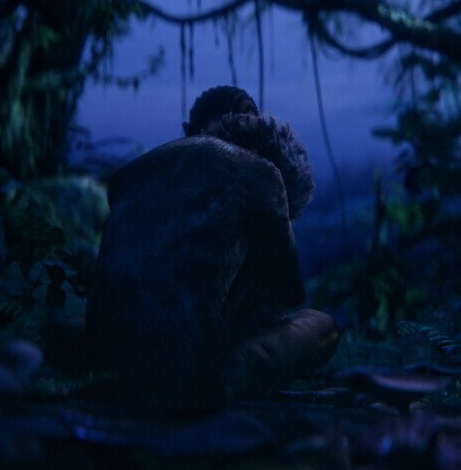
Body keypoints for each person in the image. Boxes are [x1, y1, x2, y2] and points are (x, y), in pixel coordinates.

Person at [84, 86, 338, 410]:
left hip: (103, 360)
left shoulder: (131, 175)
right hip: (185, 378)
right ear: (256, 125)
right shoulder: (261, 172)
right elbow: (288, 293)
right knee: (321, 325)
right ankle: (217, 386)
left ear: (189, 130)